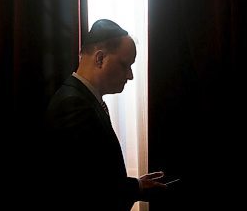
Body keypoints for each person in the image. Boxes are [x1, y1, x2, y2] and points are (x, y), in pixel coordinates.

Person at [44, 18, 168, 211]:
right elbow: (87, 189)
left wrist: (137, 184)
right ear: (100, 58)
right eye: (125, 65)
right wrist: (137, 187)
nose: (130, 75)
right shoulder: (73, 105)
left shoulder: (85, 100)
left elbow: (97, 174)